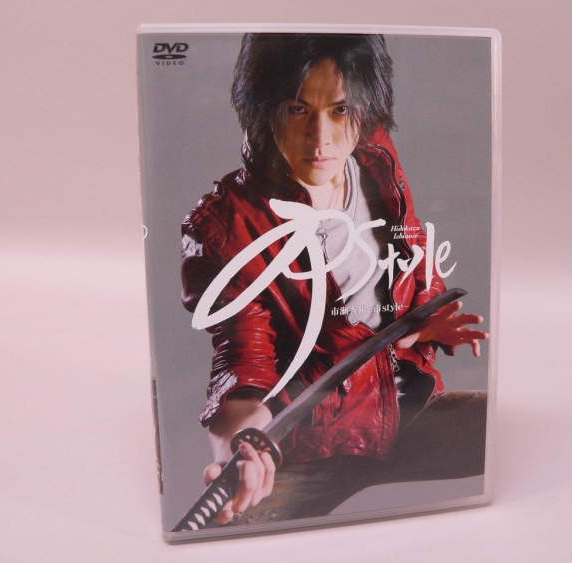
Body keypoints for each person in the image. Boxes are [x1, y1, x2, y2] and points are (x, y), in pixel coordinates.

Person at [181, 33, 488, 527]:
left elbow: (409, 252)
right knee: (230, 525)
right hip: (307, 449)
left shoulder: (375, 158)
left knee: (515, 444)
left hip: (404, 413)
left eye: (340, 110)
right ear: (263, 110)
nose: (321, 138)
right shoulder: (226, 225)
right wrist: (244, 443)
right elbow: (242, 360)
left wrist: (420, 322)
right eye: (297, 110)